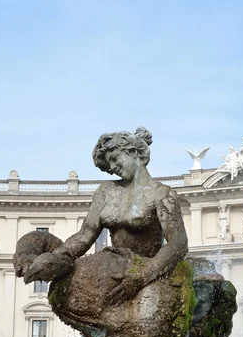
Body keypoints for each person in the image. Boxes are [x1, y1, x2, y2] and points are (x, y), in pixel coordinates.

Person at [23, 127, 188, 302]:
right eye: (109, 166)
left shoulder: (162, 194)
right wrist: (55, 259)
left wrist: (141, 277)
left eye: (114, 159)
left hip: (145, 269)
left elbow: (177, 244)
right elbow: (84, 236)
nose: (113, 168)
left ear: (132, 151)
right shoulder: (105, 192)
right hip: (114, 267)